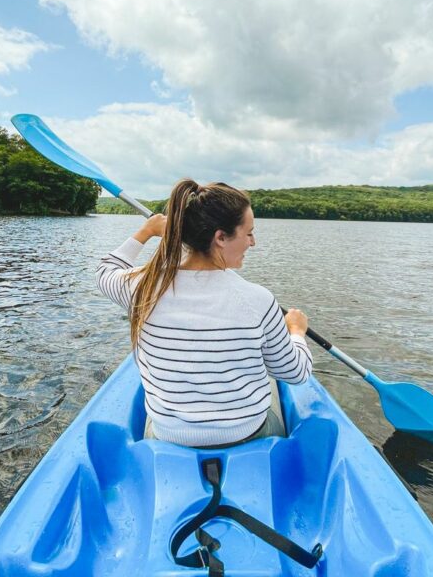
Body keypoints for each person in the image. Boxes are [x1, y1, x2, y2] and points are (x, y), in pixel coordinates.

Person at [96, 179, 312, 448]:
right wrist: (296, 332)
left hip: (169, 435)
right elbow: (296, 373)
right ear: (220, 237)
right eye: (249, 233)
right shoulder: (259, 300)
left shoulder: (142, 287)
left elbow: (105, 270)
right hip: (246, 431)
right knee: (272, 394)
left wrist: (147, 231)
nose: (253, 242)